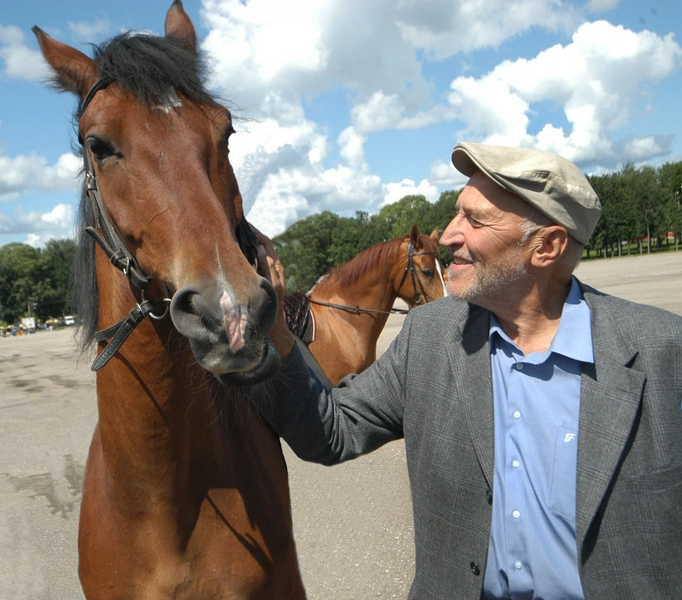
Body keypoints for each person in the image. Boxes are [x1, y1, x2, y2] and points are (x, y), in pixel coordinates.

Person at [250, 142, 682, 600]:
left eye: (475, 220)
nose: (450, 235)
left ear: (547, 246)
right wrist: (275, 329)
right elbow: (332, 431)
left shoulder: (661, 351)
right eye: (458, 214)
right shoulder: (429, 337)